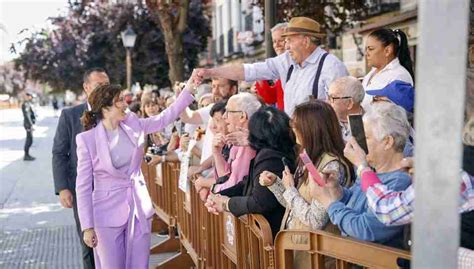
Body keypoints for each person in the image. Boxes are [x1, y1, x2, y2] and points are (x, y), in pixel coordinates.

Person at [75, 72, 198, 269]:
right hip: (105, 215)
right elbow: (82, 187)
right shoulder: (87, 140)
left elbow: (163, 118)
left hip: (138, 209)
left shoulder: (132, 123)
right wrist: (87, 227)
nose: (125, 104)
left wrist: (189, 89)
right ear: (105, 108)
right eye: (119, 101)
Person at [259, 100, 354, 268]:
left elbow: (315, 219)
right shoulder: (309, 157)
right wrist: (276, 184)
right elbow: (295, 208)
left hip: (319, 258)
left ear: (312, 128)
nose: (293, 130)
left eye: (297, 126)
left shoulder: (331, 166)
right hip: (299, 250)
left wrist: (290, 189)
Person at [195, 17, 349, 116]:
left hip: (320, 142)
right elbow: (248, 70)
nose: (286, 46)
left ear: (306, 41)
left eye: (290, 40)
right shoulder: (286, 61)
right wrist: (210, 72)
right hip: (293, 140)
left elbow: (342, 110)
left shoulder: (331, 67)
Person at [311, 102, 412, 248]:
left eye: (366, 137)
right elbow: (356, 203)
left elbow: (366, 230)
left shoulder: (399, 181)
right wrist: (336, 191)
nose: (359, 143)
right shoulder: (371, 170)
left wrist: (329, 203)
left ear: (387, 142)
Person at [205, 106, 297, 238]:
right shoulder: (269, 151)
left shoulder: (270, 157)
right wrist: (218, 196)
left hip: (271, 237)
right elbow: (247, 182)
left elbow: (260, 202)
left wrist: (226, 203)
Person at [52, 68, 110, 269]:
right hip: (83, 191)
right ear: (86, 88)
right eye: (99, 86)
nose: (106, 90)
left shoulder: (117, 114)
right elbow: (59, 153)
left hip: (113, 190)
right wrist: (63, 188)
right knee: (89, 242)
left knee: (114, 243)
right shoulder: (70, 115)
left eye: (107, 85)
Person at [211, 93, 261, 192]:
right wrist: (217, 153)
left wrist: (214, 190)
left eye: (228, 111)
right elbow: (225, 177)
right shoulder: (238, 143)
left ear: (242, 116)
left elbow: (234, 186)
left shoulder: (248, 146)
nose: (224, 117)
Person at [362, 28, 414, 108]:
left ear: (387, 50)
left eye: (371, 49)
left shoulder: (399, 76)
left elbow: (399, 114)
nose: (366, 53)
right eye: (366, 49)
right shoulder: (371, 73)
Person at [255, 22, 287, 110]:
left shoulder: (296, 63)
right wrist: (260, 79)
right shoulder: (280, 65)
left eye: (280, 40)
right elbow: (271, 98)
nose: (276, 45)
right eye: (274, 41)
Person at [327, 76, 365, 142]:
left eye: (332, 98)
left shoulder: (369, 124)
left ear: (349, 103)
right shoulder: (326, 122)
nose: (327, 102)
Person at [22, 92, 36, 161]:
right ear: (27, 96)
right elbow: (27, 115)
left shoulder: (28, 103)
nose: (31, 97)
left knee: (30, 140)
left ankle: (27, 154)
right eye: (30, 96)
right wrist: (31, 125)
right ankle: (26, 155)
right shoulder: (25, 104)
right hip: (28, 124)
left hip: (29, 124)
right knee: (29, 140)